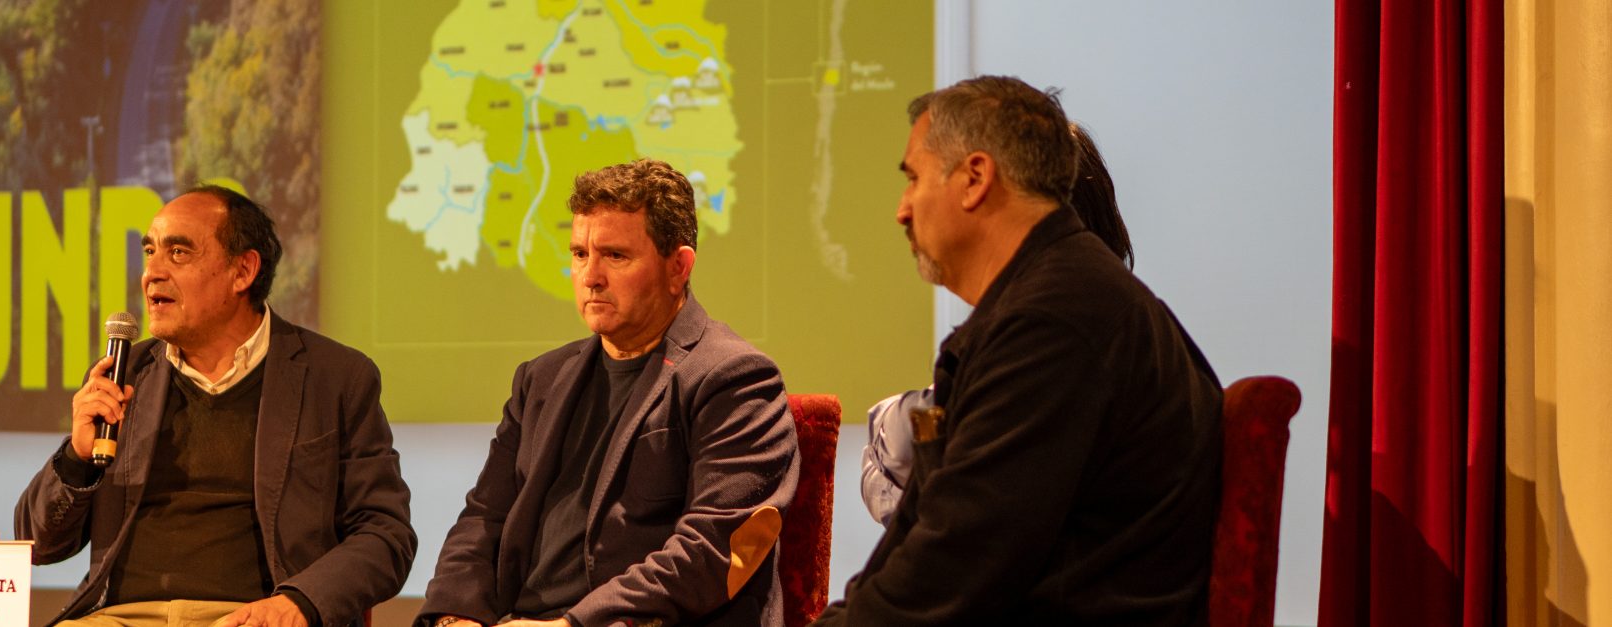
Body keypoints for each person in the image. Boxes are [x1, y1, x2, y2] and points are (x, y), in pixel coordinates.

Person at [814, 76, 1222, 626]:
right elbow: (920, 552)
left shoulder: (1052, 323)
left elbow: (950, 577)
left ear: (975, 178)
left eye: (913, 179)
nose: (902, 210)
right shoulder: (1048, 305)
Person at [417, 159, 800, 627]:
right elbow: (484, 518)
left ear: (678, 267)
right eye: (580, 254)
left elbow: (711, 550)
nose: (590, 276)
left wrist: (570, 626)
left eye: (615, 256)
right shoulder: (541, 379)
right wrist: (455, 617)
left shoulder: (735, 377)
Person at [15, 186, 416, 627]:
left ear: (242, 271)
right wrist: (77, 459)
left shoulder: (335, 376)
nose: (151, 274)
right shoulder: (123, 375)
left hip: (251, 618)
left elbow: (386, 534)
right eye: (149, 252)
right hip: (119, 618)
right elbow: (38, 544)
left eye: (178, 253)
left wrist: (298, 603)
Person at [860, 122, 1133, 525]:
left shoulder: (1052, 334)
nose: (904, 212)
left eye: (918, 182)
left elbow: (966, 522)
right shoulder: (1101, 316)